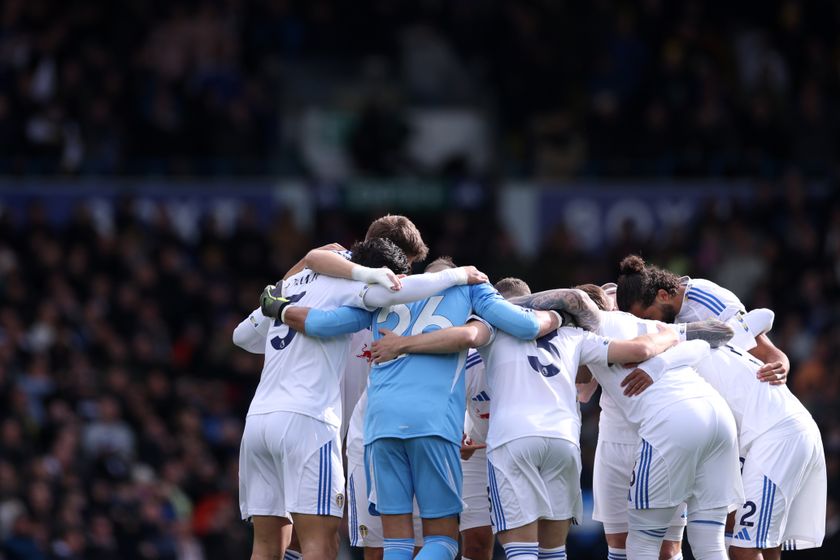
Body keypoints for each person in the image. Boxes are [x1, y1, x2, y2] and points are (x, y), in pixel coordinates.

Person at [367, 280, 712, 560]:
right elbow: (638, 350)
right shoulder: (573, 333)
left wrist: (404, 344)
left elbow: (466, 336)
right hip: (562, 442)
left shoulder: (490, 327)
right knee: (553, 553)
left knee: (521, 552)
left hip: (514, 441)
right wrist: (680, 332)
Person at [263, 259, 563, 560]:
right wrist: (557, 316)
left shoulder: (390, 295)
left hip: (379, 425)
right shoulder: (471, 289)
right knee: (442, 541)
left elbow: (321, 323)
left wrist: (279, 308)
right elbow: (525, 326)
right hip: (432, 422)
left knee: (397, 544)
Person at [233, 238, 482, 560]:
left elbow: (242, 337)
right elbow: (397, 290)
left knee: (267, 546)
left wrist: (280, 301)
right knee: (319, 543)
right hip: (308, 420)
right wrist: (458, 275)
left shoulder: (291, 284)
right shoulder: (355, 285)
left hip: (258, 421)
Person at [576, 284, 743, 560]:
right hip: (714, 415)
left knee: (642, 544)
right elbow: (708, 338)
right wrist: (667, 341)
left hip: (667, 427)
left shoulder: (597, 332)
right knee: (707, 541)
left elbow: (584, 389)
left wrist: (654, 361)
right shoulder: (644, 326)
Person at [693, 343, 826, 560]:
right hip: (758, 434)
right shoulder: (694, 340)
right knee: (761, 542)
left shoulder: (694, 325)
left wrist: (782, 363)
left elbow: (765, 336)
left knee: (744, 549)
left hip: (776, 436)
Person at [615, 255, 789, 383]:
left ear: (662, 295)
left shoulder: (707, 302)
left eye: (649, 317)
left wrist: (780, 364)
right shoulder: (670, 309)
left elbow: (762, 330)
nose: (651, 325)